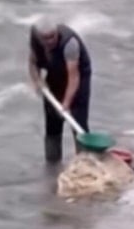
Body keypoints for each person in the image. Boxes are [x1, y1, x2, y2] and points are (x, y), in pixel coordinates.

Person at [28, 18, 92, 163]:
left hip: (78, 78)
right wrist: (36, 81)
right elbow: (33, 62)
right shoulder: (35, 39)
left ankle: (84, 163)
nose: (50, 41)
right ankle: (52, 166)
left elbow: (73, 77)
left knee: (78, 122)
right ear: (39, 37)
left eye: (52, 37)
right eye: (45, 38)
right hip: (54, 74)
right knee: (52, 125)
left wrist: (66, 103)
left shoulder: (70, 43)